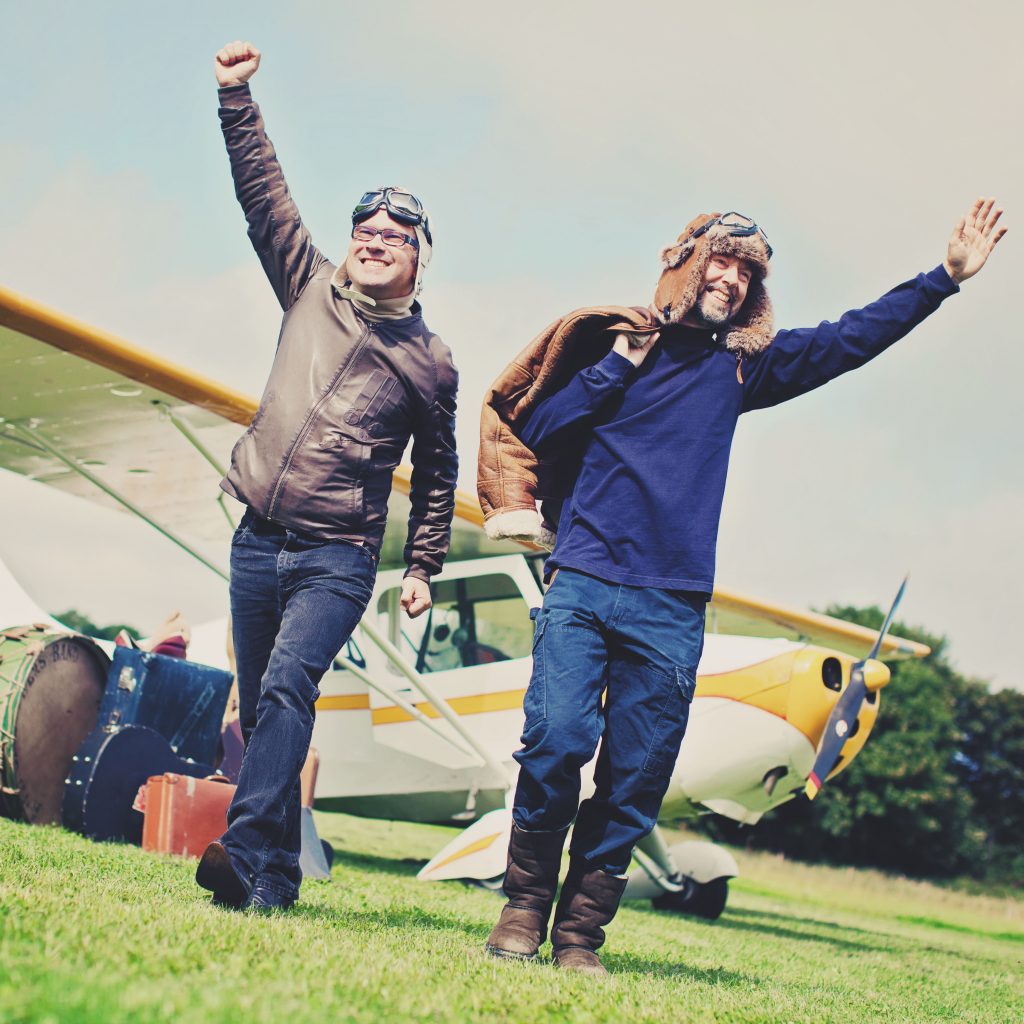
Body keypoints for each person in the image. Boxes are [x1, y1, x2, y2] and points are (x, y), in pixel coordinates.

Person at [478, 201, 1006, 974]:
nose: (733, 278)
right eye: (722, 261)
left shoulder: (739, 366)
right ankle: (523, 910)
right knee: (555, 741)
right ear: (688, 263)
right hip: (585, 579)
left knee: (635, 779)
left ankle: (579, 938)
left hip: (672, 602)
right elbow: (542, 428)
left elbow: (847, 340)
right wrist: (615, 366)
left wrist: (943, 280)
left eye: (748, 270)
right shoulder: (617, 347)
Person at [195, 41, 459, 912]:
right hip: (256, 537)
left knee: (285, 686)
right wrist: (237, 97)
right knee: (265, 709)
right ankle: (274, 879)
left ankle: (238, 850)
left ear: (421, 260)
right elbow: (262, 194)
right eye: (366, 231)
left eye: (396, 236)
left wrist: (421, 567)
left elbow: (438, 472)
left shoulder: (430, 362)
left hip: (336, 556)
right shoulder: (307, 284)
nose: (376, 241)